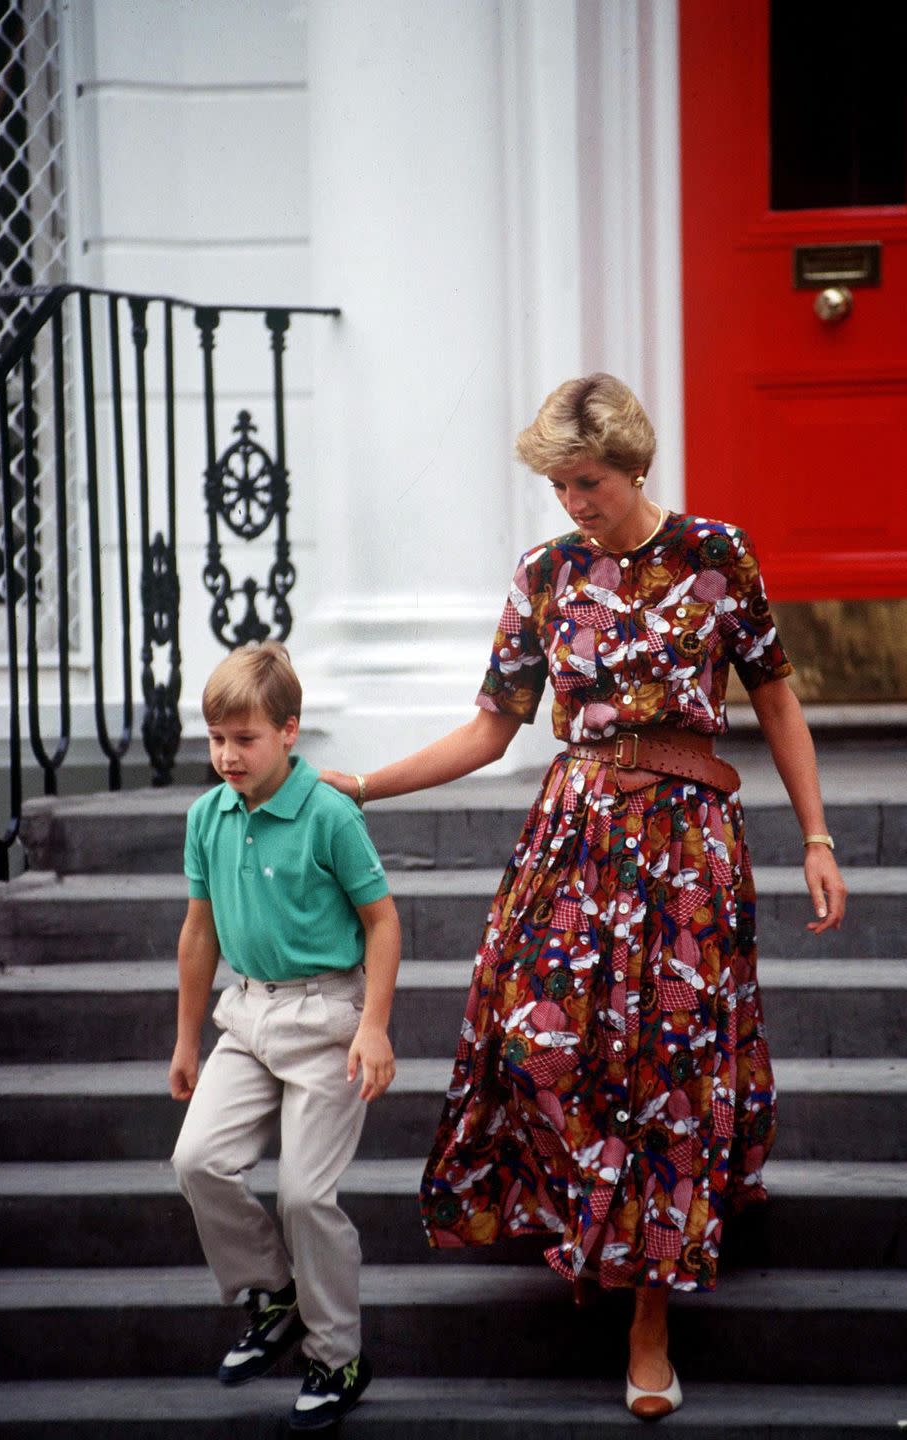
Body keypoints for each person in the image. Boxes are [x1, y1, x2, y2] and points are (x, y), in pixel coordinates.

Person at [321, 373, 846, 1419]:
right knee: (532, 1038)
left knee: (671, 1066)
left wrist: (819, 835)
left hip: (688, 841)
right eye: (559, 484)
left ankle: (648, 1316)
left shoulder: (716, 555)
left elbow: (778, 700)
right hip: (574, 838)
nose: (574, 501)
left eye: (589, 481)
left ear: (635, 463)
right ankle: (590, 1222)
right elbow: (492, 725)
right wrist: (369, 782)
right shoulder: (545, 573)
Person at [170, 641, 400, 1432]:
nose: (228, 756)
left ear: (290, 732)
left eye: (245, 739)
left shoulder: (329, 814)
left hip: (328, 1020)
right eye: (216, 739)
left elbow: (383, 922)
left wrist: (373, 1027)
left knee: (305, 1195)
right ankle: (274, 1293)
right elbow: (198, 933)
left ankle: (337, 1356)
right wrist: (186, 1041)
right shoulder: (206, 815)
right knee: (197, 1160)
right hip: (246, 1013)